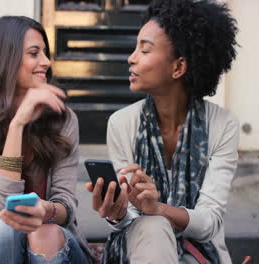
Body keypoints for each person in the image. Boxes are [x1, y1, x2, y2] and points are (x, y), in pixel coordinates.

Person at [86, 0, 239, 263]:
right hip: (141, 246)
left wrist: (157, 209)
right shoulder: (122, 123)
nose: (130, 58)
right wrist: (117, 212)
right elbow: (127, 221)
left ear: (178, 67)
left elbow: (210, 221)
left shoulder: (222, 125)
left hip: (199, 253)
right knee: (152, 226)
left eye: (144, 50)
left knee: (155, 221)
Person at [0, 16, 93, 264]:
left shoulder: (63, 120)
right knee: (0, 230)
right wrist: (17, 125)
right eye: (34, 53)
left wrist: (45, 212)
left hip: (59, 245)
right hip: (2, 248)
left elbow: (66, 205)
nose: (46, 62)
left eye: (45, 53)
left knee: (44, 231)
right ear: (4, 61)